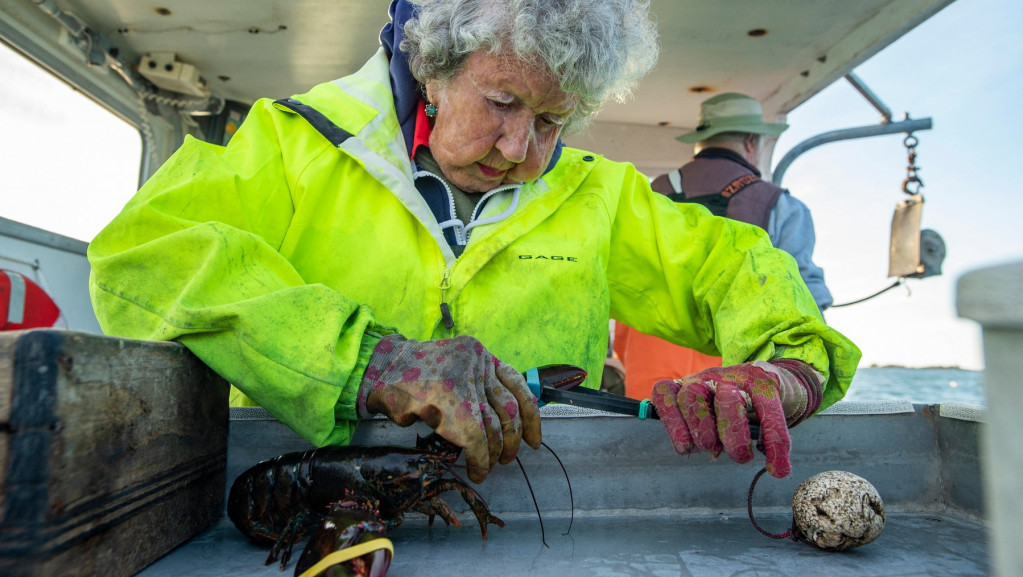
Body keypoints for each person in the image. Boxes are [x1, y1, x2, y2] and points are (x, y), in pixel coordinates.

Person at [88, 0, 859, 484]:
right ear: (430, 68)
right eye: (502, 100)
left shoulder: (598, 192)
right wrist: (371, 360)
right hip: (296, 497)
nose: (523, 148)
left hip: (533, 520)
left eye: (553, 120)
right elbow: (144, 253)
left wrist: (789, 365)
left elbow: (738, 266)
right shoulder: (292, 145)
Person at [615, 92, 833, 401]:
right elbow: (806, 299)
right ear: (750, 141)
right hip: (733, 389)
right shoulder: (782, 206)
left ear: (701, 140)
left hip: (648, 375)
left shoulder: (651, 195)